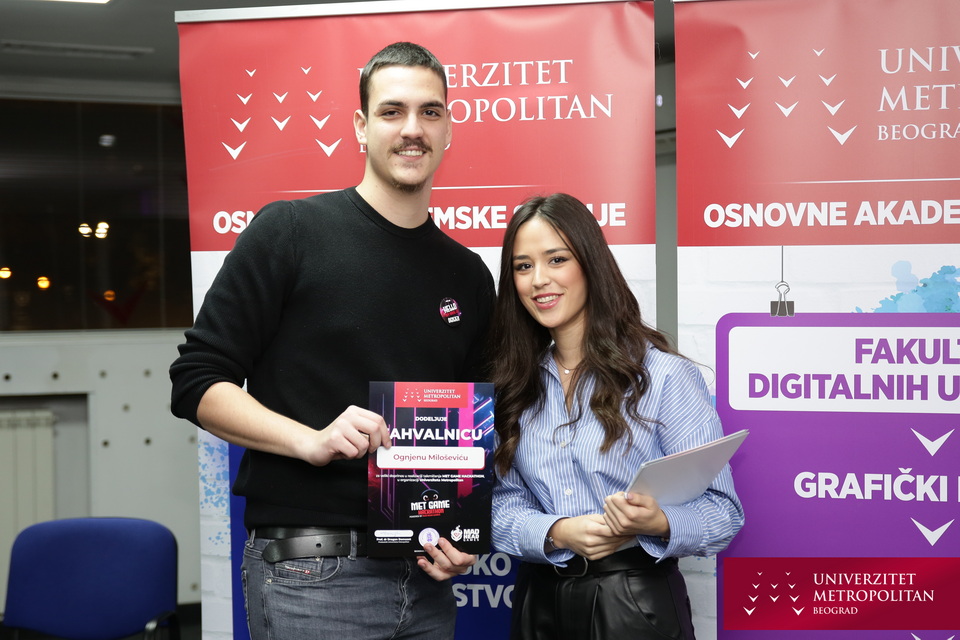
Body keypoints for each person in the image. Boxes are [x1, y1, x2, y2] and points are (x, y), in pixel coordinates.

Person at [170, 42, 494, 640]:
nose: (412, 129)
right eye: (392, 111)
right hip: (312, 576)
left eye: (430, 112)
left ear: (448, 128)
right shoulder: (290, 233)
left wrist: (461, 532)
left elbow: (472, 428)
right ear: (361, 126)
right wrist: (309, 440)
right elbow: (196, 382)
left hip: (426, 581)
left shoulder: (468, 275)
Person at [489, 193, 743, 640]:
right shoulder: (514, 384)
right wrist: (558, 531)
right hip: (537, 605)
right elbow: (501, 505)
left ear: (590, 264)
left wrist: (657, 522)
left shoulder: (664, 376)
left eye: (557, 259)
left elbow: (723, 513)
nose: (539, 279)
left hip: (635, 604)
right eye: (523, 266)